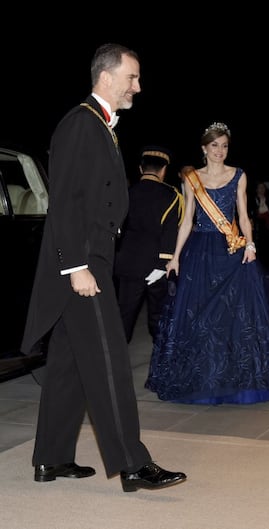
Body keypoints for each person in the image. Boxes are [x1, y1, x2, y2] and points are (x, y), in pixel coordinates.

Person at [20, 43, 186, 492]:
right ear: (106, 76)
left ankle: (51, 459)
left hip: (90, 260)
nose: (138, 86)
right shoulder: (80, 124)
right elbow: (67, 205)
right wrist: (76, 266)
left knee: (69, 365)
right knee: (111, 361)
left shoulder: (100, 127)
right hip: (82, 264)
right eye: (132, 77)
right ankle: (133, 463)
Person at [145, 122, 269, 405]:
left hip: (232, 250)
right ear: (204, 148)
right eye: (214, 145)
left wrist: (250, 243)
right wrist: (175, 257)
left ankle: (241, 379)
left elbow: (243, 216)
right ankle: (204, 379)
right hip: (201, 252)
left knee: (239, 316)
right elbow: (186, 221)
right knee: (201, 318)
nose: (220, 151)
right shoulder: (192, 178)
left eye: (224, 145)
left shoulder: (238, 175)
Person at [114, 145, 184, 342]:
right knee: (158, 317)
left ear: (140, 169)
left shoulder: (126, 192)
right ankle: (161, 361)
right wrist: (164, 264)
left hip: (128, 264)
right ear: (163, 171)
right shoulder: (172, 195)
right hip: (157, 266)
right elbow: (171, 232)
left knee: (124, 317)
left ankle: (114, 365)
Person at [249, 181, 269, 272]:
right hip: (258, 228)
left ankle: (268, 268)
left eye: (263, 188)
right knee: (258, 248)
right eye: (260, 187)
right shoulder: (253, 200)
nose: (261, 189)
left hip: (268, 227)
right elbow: (252, 213)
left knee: (268, 248)